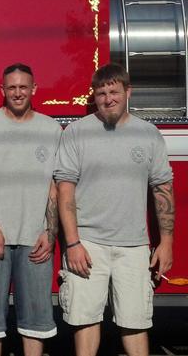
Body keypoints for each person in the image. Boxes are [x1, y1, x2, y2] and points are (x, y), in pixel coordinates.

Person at [55, 63, 174, 356]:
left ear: (128, 92)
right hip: (87, 244)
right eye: (101, 92)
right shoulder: (77, 132)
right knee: (85, 321)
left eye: (114, 92)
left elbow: (162, 190)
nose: (108, 99)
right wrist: (73, 243)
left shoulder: (148, 134)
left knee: (135, 322)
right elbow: (65, 192)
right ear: (94, 96)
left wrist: (166, 243)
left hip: (134, 246)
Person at [0, 63, 61, 356]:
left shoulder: (51, 129)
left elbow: (54, 186)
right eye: (12, 87)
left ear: (34, 89)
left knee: (36, 318)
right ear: (2, 90)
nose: (18, 93)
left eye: (24, 87)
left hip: (36, 239)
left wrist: (50, 232)